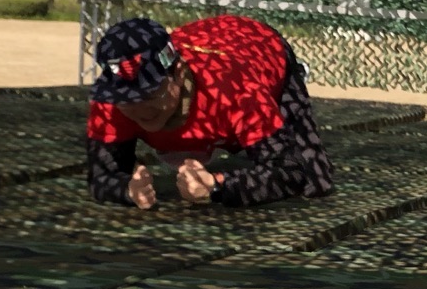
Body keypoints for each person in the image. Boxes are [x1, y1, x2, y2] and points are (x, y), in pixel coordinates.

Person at [86, 15, 333, 208]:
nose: (140, 109)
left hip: (259, 46)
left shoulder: (238, 91)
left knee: (317, 181)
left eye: (150, 94)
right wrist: (127, 190)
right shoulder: (109, 102)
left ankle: (252, 136)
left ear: (179, 73)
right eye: (126, 99)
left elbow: (290, 171)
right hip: (212, 56)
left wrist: (219, 187)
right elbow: (101, 176)